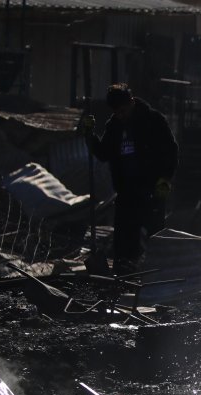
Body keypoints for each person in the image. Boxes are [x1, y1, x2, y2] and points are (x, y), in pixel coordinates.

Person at [80, 83, 178, 275]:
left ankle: (156, 279)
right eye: (117, 112)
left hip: (152, 192)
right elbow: (103, 153)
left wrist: (164, 183)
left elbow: (171, 153)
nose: (121, 115)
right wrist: (89, 135)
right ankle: (123, 282)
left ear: (131, 102)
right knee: (124, 245)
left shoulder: (153, 121)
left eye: (124, 110)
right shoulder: (114, 126)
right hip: (127, 194)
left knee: (155, 239)